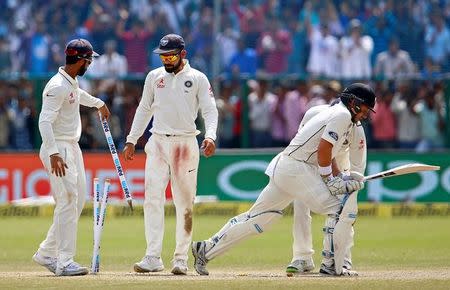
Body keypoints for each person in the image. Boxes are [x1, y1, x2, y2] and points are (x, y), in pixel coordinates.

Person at [192, 83, 376, 276]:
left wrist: (341, 177)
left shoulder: (338, 115)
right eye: (365, 109)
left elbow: (326, 152)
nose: (366, 114)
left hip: (286, 166)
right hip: (298, 168)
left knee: (259, 219)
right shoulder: (342, 115)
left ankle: (205, 249)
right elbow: (324, 148)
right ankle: (331, 265)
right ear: (355, 102)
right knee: (338, 210)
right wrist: (330, 180)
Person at [123, 34, 218, 275]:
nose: (166, 60)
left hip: (185, 144)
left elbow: (209, 109)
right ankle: (152, 256)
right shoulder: (154, 77)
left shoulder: (197, 78)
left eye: (171, 55)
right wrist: (132, 139)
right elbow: (144, 108)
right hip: (157, 142)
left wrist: (211, 136)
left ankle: (180, 258)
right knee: (152, 199)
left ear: (183, 54)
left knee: (184, 203)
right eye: (163, 56)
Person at [33, 39, 110, 276]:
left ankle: (47, 252)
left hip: (71, 147)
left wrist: (98, 103)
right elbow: (44, 121)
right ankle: (64, 261)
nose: (90, 64)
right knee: (67, 201)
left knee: (76, 202)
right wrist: (54, 152)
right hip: (58, 147)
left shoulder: (70, 82)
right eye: (89, 60)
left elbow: (77, 95)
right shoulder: (57, 86)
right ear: (82, 61)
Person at [285, 101, 367, 276]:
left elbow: (358, 165)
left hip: (342, 162)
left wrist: (353, 181)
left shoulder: (356, 127)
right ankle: (302, 257)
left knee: (345, 207)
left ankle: (342, 258)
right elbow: (311, 146)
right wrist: (329, 174)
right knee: (300, 203)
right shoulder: (314, 113)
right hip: (312, 161)